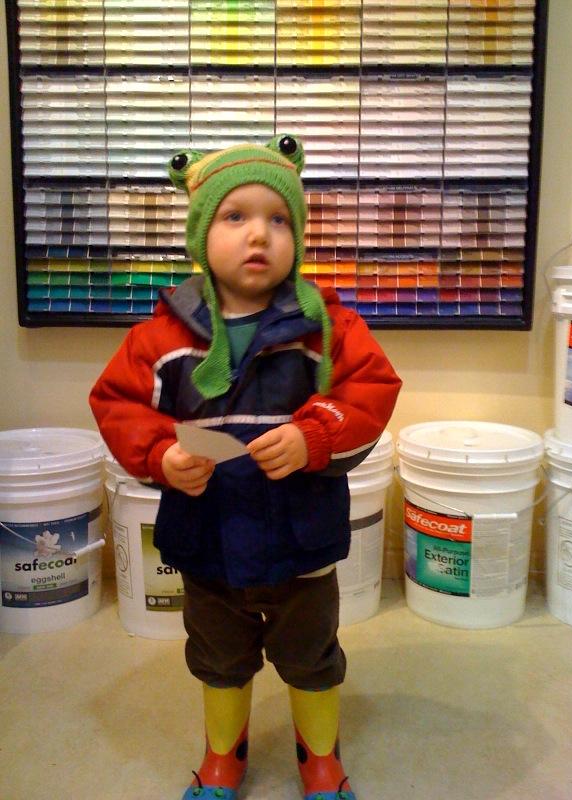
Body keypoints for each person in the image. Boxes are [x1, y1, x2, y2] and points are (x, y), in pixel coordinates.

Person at [90, 134, 401, 800]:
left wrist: (314, 436)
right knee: (218, 661)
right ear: (200, 236)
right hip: (207, 543)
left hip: (301, 545)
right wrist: (162, 455)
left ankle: (321, 761)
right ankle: (222, 759)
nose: (259, 234)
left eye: (278, 219)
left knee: (313, 659)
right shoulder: (160, 338)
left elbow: (370, 392)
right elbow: (118, 404)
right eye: (236, 216)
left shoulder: (328, 327)